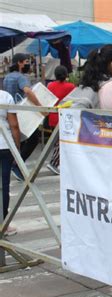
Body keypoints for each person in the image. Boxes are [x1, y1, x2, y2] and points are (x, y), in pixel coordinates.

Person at [3, 53, 43, 181]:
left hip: (8, 113)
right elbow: (27, 91)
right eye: (26, 61)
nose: (28, 64)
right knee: (34, 137)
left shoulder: (7, 77)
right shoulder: (21, 77)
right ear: (19, 63)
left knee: (20, 139)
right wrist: (39, 106)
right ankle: (17, 164)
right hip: (21, 114)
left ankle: (14, 163)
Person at [45, 65, 76, 175]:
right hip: (65, 116)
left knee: (58, 140)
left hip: (52, 116)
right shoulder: (71, 86)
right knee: (61, 141)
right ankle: (54, 162)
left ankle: (59, 162)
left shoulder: (50, 85)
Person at [0, 90, 21, 235]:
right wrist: (17, 147)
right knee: (3, 185)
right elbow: (14, 125)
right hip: (4, 145)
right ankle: (3, 225)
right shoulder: (5, 96)